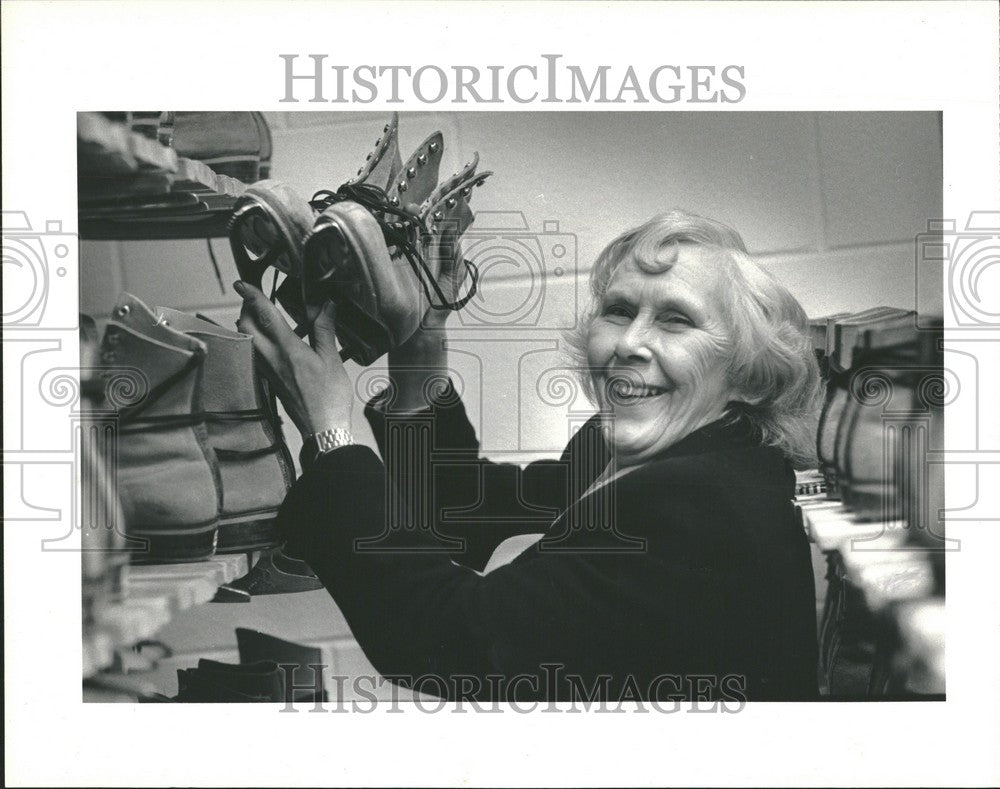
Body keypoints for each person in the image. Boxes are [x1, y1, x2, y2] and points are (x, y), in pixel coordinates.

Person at [234, 210, 823, 702]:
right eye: (618, 310)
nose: (628, 344)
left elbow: (452, 636)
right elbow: (463, 511)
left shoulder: (704, 502)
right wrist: (420, 336)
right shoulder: (628, 449)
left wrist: (329, 433)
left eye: (675, 320)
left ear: (749, 375)